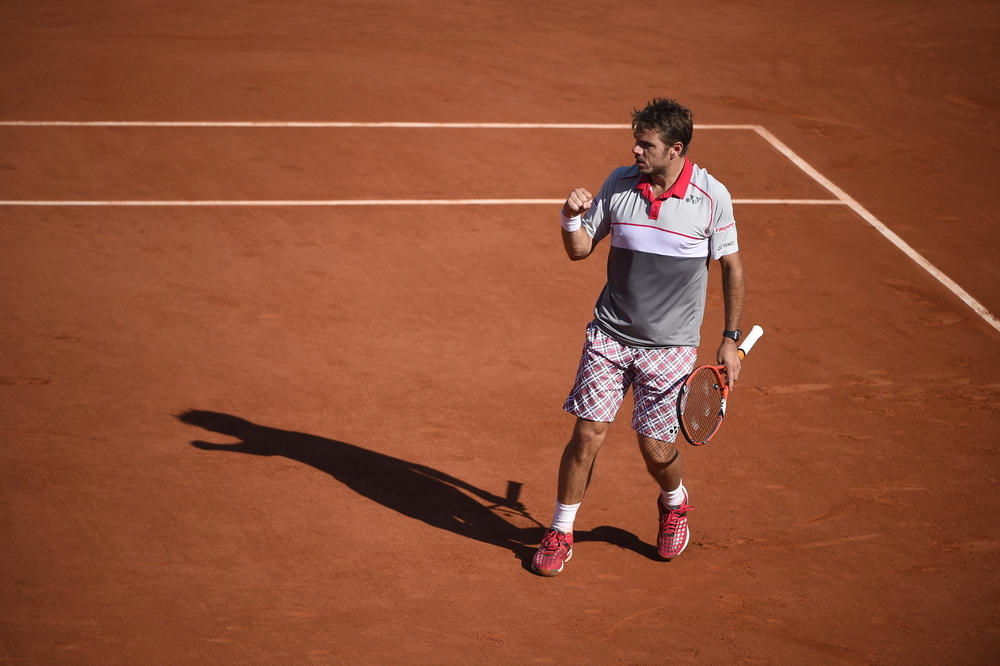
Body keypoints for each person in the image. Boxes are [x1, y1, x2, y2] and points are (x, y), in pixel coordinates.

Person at [532, 98, 746, 576]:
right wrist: (570, 219)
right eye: (636, 140)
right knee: (587, 434)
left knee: (654, 448)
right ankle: (560, 530)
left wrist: (729, 338)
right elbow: (580, 250)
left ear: (676, 149)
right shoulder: (618, 183)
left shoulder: (712, 197)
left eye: (645, 144)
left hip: (670, 347)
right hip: (609, 334)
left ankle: (673, 501)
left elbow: (731, 266)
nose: (635, 150)